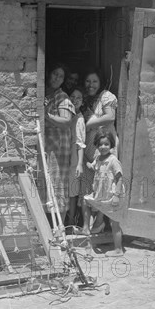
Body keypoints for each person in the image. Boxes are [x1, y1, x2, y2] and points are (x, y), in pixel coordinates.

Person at [80, 68, 119, 233]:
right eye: (88, 81)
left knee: (104, 184)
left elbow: (110, 117)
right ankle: (88, 225)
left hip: (103, 147)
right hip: (90, 149)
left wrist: (87, 125)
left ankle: (100, 222)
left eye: (94, 81)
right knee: (91, 186)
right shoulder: (87, 99)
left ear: (100, 82)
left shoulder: (107, 96)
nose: (91, 85)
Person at [84, 130, 124, 256]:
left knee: (114, 223)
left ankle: (118, 249)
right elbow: (92, 167)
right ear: (96, 145)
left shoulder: (113, 160)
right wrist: (83, 157)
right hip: (102, 195)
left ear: (111, 145)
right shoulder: (98, 158)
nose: (103, 147)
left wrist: (117, 196)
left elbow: (119, 178)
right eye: (100, 144)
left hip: (112, 195)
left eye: (106, 144)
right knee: (85, 201)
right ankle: (87, 230)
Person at [44, 62, 75, 224]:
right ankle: (48, 228)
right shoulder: (46, 94)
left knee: (58, 184)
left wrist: (46, 115)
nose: (57, 78)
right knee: (48, 184)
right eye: (55, 74)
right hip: (49, 147)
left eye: (61, 76)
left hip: (59, 150)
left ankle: (60, 229)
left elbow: (66, 121)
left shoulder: (61, 96)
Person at [67, 87, 86, 227]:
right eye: (72, 97)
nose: (75, 100)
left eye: (79, 98)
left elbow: (80, 143)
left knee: (73, 192)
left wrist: (79, 163)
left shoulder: (79, 119)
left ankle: (72, 220)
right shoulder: (68, 116)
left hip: (74, 160)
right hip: (65, 158)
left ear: (83, 101)